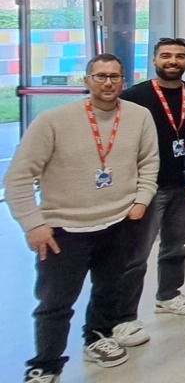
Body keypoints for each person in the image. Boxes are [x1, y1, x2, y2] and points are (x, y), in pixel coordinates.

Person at [6, 54, 159, 380]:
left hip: (119, 222)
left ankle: (98, 337)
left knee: (110, 288)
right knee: (56, 300)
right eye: (101, 76)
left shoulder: (139, 116)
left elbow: (149, 163)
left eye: (115, 77)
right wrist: (33, 223)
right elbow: (18, 177)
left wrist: (141, 201)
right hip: (65, 227)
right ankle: (46, 363)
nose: (108, 83)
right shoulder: (53, 121)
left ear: (123, 81)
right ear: (87, 80)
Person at [118, 39, 185, 332]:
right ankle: (124, 316)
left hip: (183, 183)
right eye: (166, 56)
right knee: (136, 255)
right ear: (154, 60)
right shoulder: (134, 97)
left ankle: (168, 295)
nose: (173, 61)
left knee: (175, 245)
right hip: (146, 187)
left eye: (180, 56)